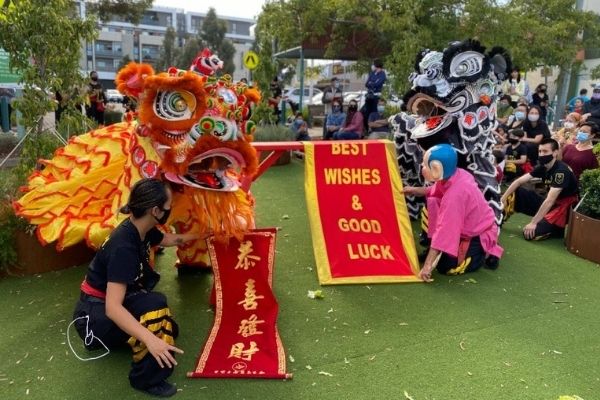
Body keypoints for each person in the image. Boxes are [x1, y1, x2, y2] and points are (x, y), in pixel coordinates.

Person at [72, 178, 202, 397]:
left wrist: (203, 236)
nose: (171, 209)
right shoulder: (123, 246)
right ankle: (146, 378)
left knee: (166, 324)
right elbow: (113, 308)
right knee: (155, 306)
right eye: (169, 206)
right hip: (94, 318)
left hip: (105, 307)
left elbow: (169, 239)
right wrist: (152, 341)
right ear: (156, 210)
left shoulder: (141, 227)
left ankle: (132, 338)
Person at [403, 144, 503, 281]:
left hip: (476, 233)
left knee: (446, 268)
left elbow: (445, 229)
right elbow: (436, 190)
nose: (422, 166)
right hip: (465, 224)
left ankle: (483, 254)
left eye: (425, 165)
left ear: (437, 169)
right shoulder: (456, 174)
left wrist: (427, 266)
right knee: (430, 204)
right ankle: (437, 249)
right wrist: (414, 190)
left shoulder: (455, 196)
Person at [501, 138, 578, 240]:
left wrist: (533, 223)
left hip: (562, 209)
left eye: (545, 151)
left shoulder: (561, 172)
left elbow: (550, 201)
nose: (541, 154)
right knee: (516, 191)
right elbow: (518, 181)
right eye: (540, 151)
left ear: (555, 153)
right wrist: (502, 200)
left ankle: (556, 229)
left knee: (529, 234)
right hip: (550, 202)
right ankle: (499, 219)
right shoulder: (543, 166)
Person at [363, 59, 386, 130]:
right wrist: (372, 83)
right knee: (366, 112)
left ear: (376, 65)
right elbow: (366, 84)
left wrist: (371, 83)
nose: (372, 66)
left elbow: (378, 84)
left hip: (376, 97)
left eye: (373, 64)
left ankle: (374, 128)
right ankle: (367, 128)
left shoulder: (382, 74)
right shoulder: (372, 73)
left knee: (374, 112)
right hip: (369, 96)